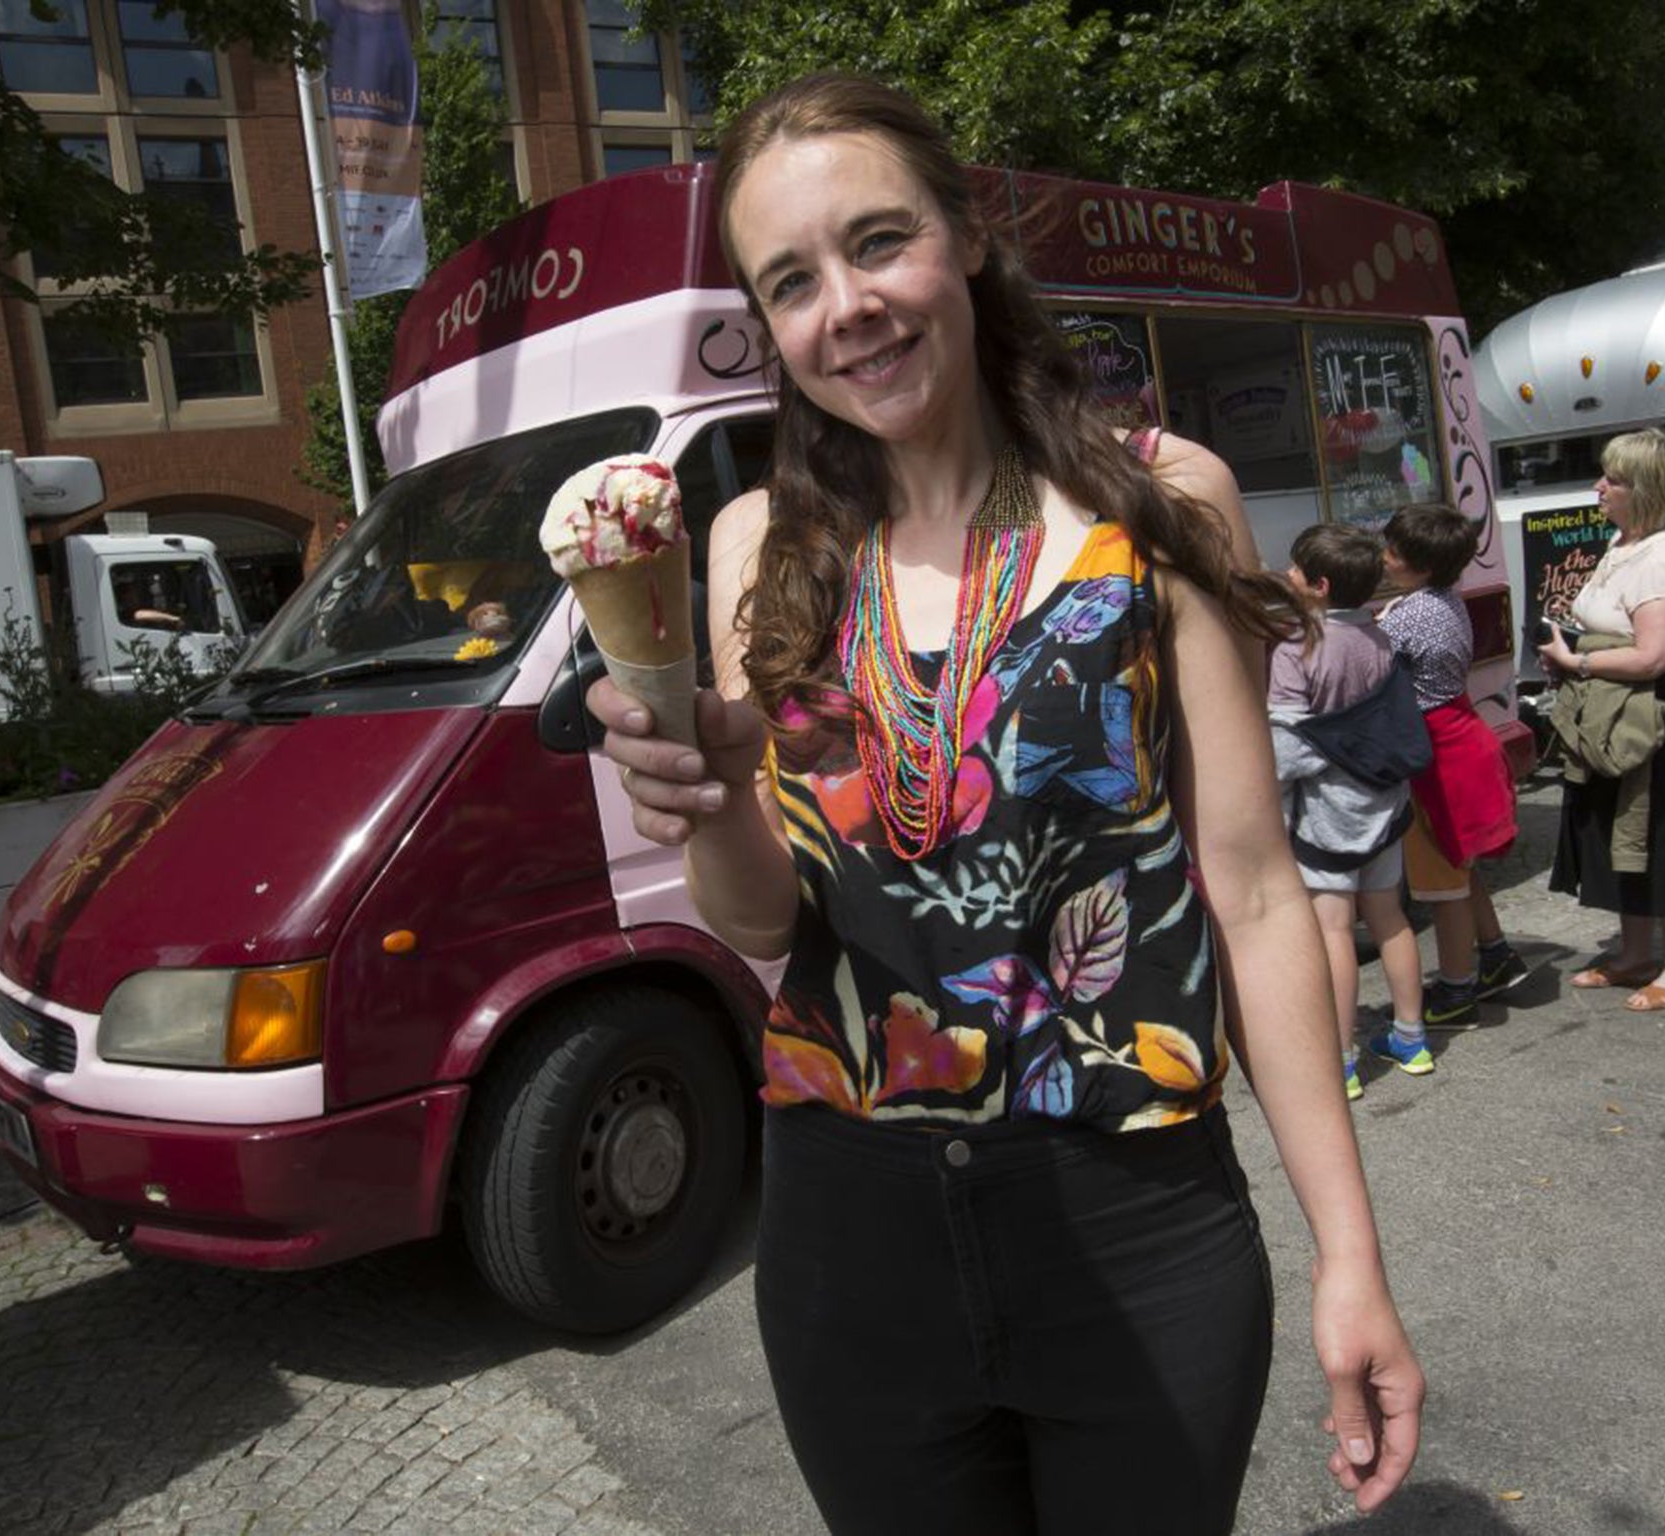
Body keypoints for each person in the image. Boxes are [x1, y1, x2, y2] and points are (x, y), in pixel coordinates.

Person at [587, 72, 1421, 1532]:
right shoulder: (753, 547)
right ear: (767, 322)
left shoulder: (1158, 502)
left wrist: (1350, 1257)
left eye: (878, 241)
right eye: (793, 279)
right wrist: (710, 801)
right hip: (852, 1240)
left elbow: (1257, 891)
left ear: (966, 236)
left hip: (1138, 1214)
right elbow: (765, 923)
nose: (845, 305)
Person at [1537, 428, 1665, 1011]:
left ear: (1647, 489)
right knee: (1616, 831)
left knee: (1660, 830)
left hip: (1649, 712)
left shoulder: (1663, 557)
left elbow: (1654, 655)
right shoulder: (1623, 541)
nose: (1599, 486)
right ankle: (1636, 955)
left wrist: (1576, 659)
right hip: (1610, 708)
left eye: (1613, 479)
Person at [1268, 525, 1431, 1099]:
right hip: (1385, 806)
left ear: (1318, 585)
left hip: (1328, 816)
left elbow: (1286, 749)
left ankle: (1340, 1061)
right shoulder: (1382, 640)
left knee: (1334, 929)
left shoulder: (1298, 647)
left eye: (1293, 570)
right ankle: (1411, 1037)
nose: (1285, 576)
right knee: (1390, 919)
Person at [1377, 504, 1529, 1028]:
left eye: (1393, 551)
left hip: (1435, 757)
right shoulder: (1443, 599)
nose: (1384, 557)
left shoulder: (1409, 615)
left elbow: (1371, 667)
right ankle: (1495, 955)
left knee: (1441, 882)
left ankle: (1458, 987)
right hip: (1461, 739)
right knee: (1461, 866)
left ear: (1420, 565)